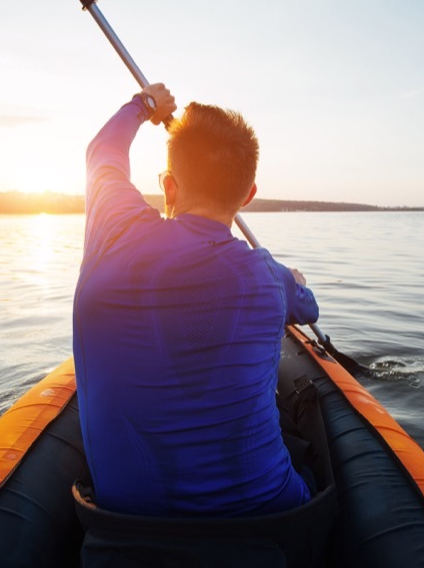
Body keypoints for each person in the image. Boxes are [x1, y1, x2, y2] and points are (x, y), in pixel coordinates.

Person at [72, 83, 320, 518]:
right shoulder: (269, 275)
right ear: (247, 196)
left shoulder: (114, 232)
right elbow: (310, 309)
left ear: (168, 186)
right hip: (274, 523)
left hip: (129, 527)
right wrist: (294, 281)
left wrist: (144, 106)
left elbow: (102, 153)